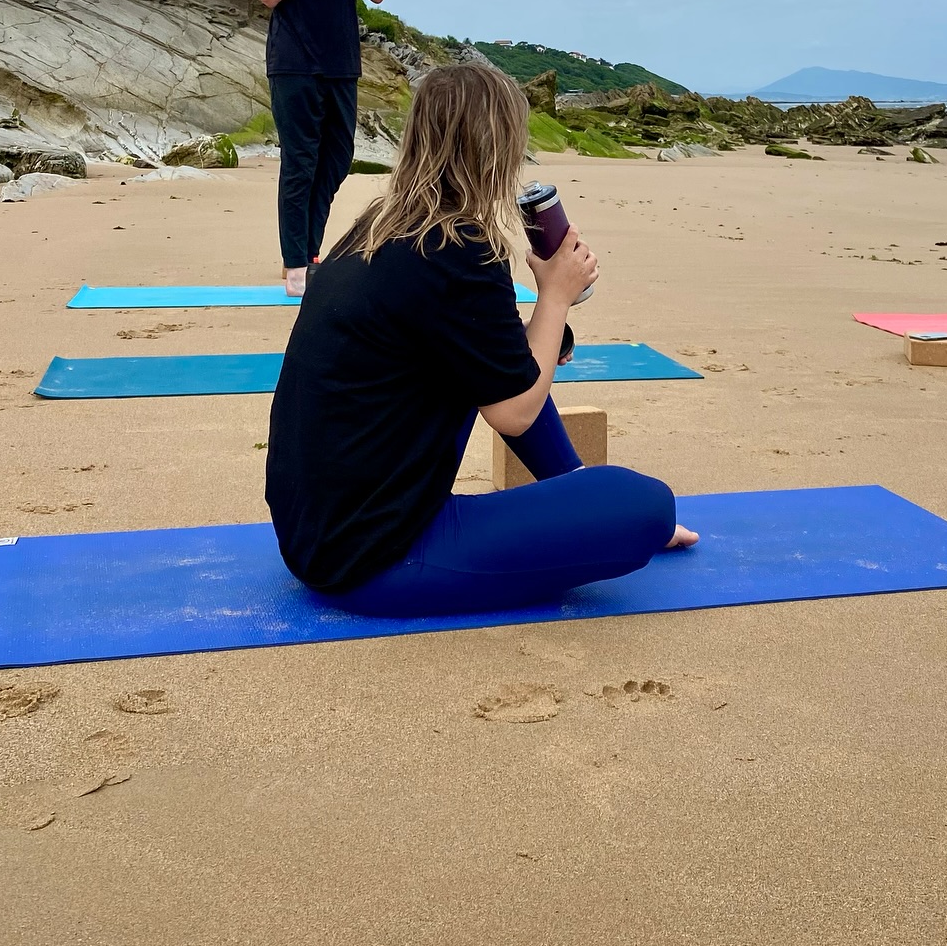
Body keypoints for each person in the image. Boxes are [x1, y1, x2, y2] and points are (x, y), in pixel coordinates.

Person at [265, 62, 699, 616]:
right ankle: (596, 501)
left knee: (511, 369)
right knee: (648, 506)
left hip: (313, 535)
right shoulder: (458, 247)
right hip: (378, 558)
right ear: (500, 150)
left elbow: (498, 366)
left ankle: (576, 484)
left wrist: (576, 494)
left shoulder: (378, 227)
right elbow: (514, 413)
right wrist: (555, 295)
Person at [254, 0, 386, 296]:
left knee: (336, 160)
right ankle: (296, 264)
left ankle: (309, 253)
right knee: (300, 162)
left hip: (342, 62)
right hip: (293, 60)